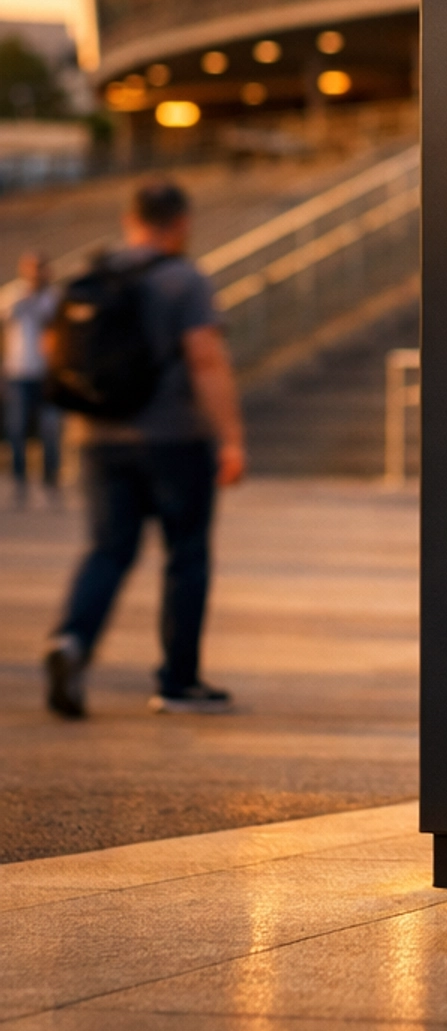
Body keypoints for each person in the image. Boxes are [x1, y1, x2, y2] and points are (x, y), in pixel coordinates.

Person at [43, 180, 245, 719]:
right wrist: (229, 438)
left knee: (108, 550)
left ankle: (71, 640)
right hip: (174, 440)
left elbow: (55, 354)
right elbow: (205, 358)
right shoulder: (184, 280)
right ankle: (179, 683)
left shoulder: (92, 276)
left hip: (99, 441)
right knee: (186, 555)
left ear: (131, 220)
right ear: (180, 223)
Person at [5, 251, 61, 503]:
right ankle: (20, 483)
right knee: (17, 430)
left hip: (47, 374)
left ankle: (50, 483)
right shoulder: (13, 294)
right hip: (18, 372)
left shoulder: (53, 298)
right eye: (31, 267)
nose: (35, 272)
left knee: (51, 431)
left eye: (40, 267)